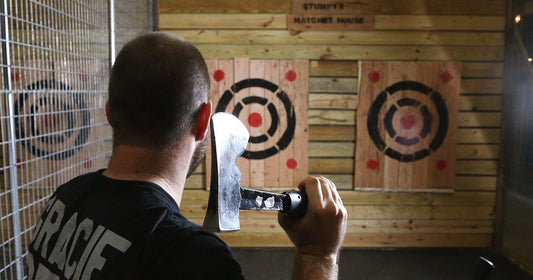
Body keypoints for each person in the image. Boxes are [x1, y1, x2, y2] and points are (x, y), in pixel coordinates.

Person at [26, 32, 347, 280]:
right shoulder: (190, 256)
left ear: (109, 112)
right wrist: (318, 255)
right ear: (203, 119)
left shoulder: (66, 198)